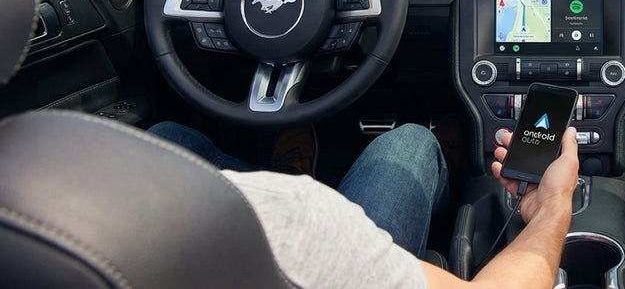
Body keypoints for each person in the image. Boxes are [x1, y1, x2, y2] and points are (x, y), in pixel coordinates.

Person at [149, 121, 580, 288]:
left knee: (170, 136)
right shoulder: (297, 220)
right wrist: (553, 204)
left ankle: (296, 173)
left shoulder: (116, 185)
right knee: (410, 140)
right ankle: (438, 158)